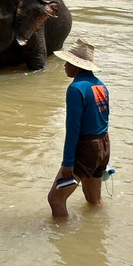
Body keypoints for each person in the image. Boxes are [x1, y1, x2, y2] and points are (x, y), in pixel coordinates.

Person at [48, 39, 110, 219]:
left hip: (86, 148)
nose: (65, 66)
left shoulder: (76, 89)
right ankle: (96, 238)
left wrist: (68, 162)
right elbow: (103, 119)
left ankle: (63, 241)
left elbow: (73, 128)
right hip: (103, 145)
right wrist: (100, 155)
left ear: (77, 66)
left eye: (68, 63)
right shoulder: (101, 86)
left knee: (55, 199)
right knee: (94, 200)